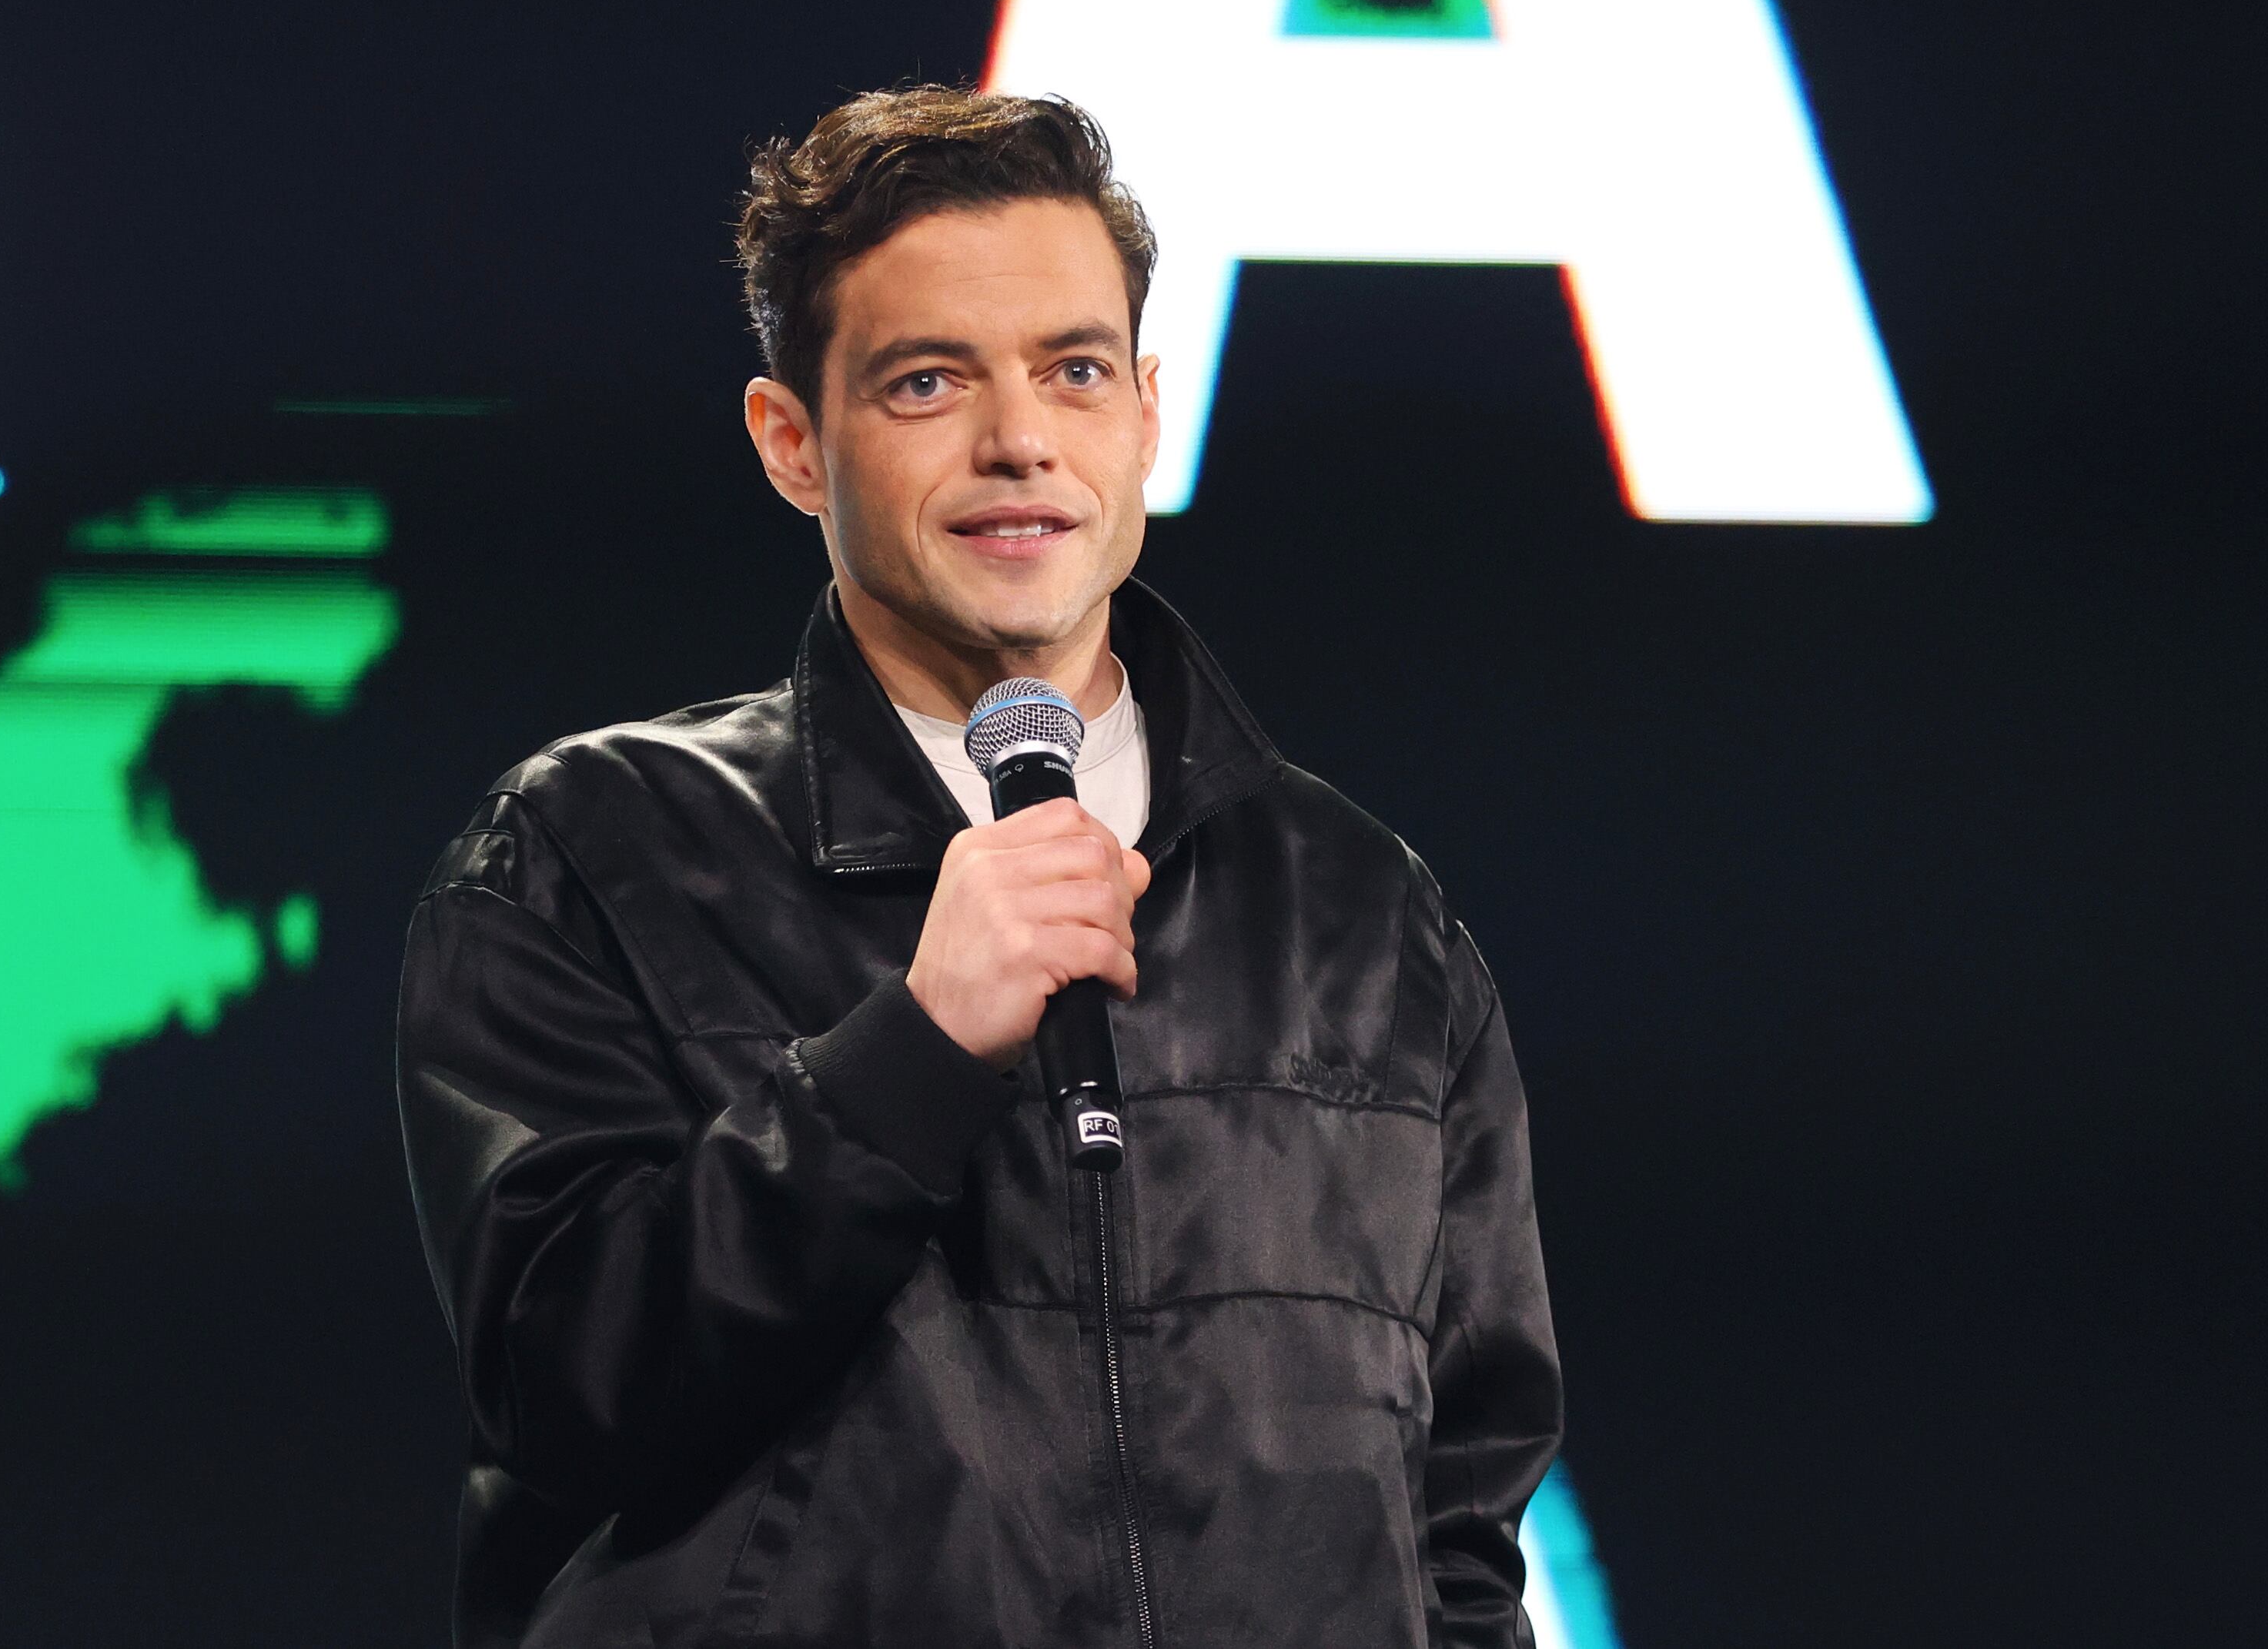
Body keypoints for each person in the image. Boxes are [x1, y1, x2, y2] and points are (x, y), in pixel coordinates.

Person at [396, 86, 1561, 1647]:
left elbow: (1460, 1523)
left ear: (1144, 413)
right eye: (929, 381)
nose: (1020, 441)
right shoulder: (590, 854)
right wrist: (906, 1057)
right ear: (791, 444)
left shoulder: (1360, 909)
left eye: (1073, 371)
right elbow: (564, 1395)